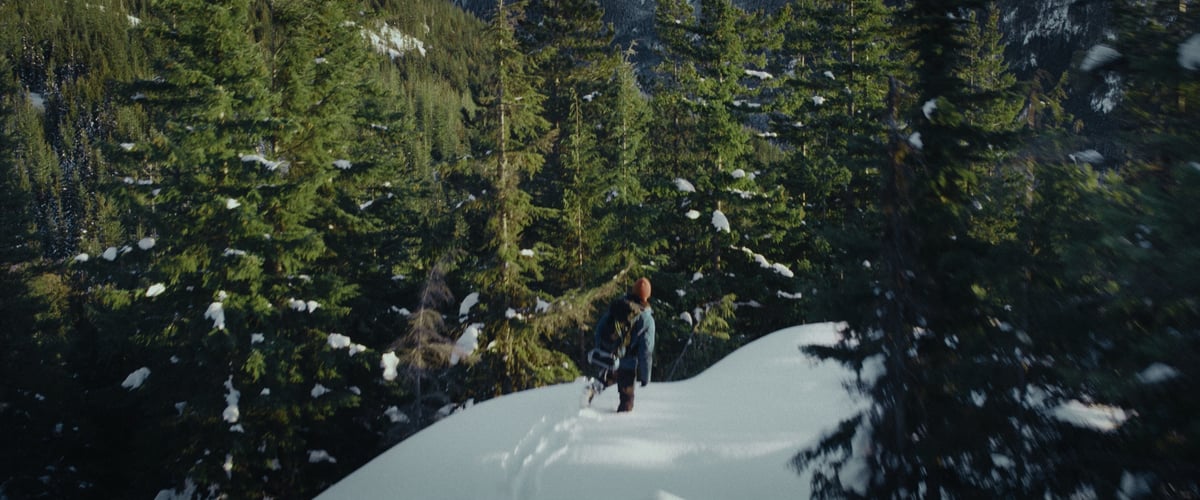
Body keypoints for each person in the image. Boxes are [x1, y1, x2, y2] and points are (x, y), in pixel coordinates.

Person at [587, 277, 655, 412]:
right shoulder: (647, 319)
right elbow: (646, 351)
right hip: (627, 364)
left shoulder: (619, 306)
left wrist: (600, 349)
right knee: (626, 402)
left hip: (608, 358)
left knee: (602, 382)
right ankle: (620, 424)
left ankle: (586, 396)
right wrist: (645, 377)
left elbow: (600, 328)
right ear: (647, 296)